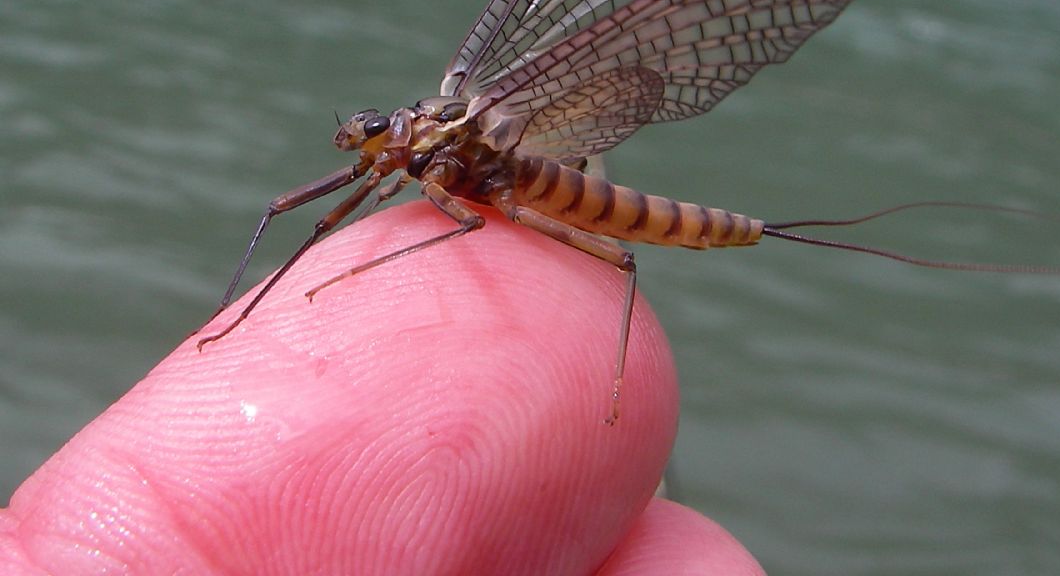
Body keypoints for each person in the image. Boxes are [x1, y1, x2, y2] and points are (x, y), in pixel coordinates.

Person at [0, 203, 764, 574]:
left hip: (573, 203)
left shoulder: (450, 162)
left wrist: (365, 268)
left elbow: (467, 227)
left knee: (616, 263)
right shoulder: (419, 160)